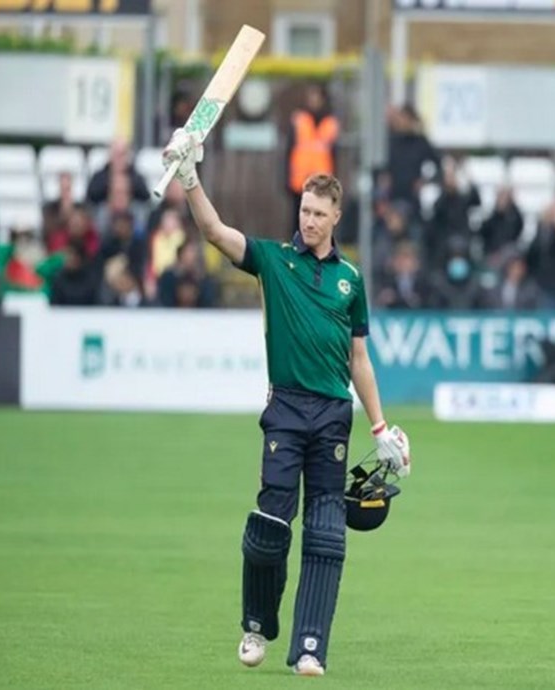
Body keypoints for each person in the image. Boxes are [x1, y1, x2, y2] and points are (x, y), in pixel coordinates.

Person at [161, 128, 411, 677]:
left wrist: (380, 427)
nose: (309, 220)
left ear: (336, 218)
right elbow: (213, 231)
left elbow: (359, 361)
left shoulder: (350, 280)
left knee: (326, 535)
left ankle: (310, 647)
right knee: (270, 528)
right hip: (286, 409)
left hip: (333, 415)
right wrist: (189, 175)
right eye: (304, 209)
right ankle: (256, 627)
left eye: (320, 213)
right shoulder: (274, 261)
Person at [285, 83, 339, 227]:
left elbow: (334, 155)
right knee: (298, 221)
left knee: (319, 222)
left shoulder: (330, 123)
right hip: (300, 182)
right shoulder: (299, 119)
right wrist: (286, 178)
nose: (312, 100)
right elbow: (289, 150)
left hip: (323, 183)